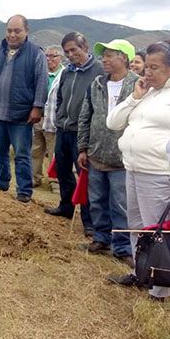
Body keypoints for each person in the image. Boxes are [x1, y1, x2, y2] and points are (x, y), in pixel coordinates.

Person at [106, 40, 170, 301]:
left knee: (159, 232)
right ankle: (141, 273)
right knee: (138, 227)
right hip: (134, 169)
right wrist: (135, 97)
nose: (147, 73)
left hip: (161, 174)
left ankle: (160, 288)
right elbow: (113, 122)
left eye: (154, 68)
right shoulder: (150, 91)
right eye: (146, 67)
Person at [77, 39, 138, 266]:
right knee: (97, 201)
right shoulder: (97, 84)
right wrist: (83, 148)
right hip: (96, 154)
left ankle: (122, 247)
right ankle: (101, 238)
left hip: (122, 158)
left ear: (124, 57)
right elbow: (86, 116)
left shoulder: (137, 86)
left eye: (110, 54)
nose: (104, 59)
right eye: (104, 55)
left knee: (121, 204)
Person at [0, 15, 48, 202]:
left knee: (22, 154)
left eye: (17, 31)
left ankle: (24, 190)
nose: (13, 35)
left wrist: (37, 107)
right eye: (9, 30)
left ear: (26, 31)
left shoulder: (36, 54)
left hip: (22, 115)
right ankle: (1, 181)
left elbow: (41, 82)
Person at [45, 32, 104, 237]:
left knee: (84, 176)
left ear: (85, 47)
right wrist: (60, 117)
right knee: (63, 171)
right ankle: (65, 206)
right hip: (64, 129)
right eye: (67, 51)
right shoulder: (68, 72)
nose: (70, 55)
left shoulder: (98, 71)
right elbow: (60, 97)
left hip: (83, 133)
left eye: (74, 50)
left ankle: (89, 221)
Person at [34, 45, 65, 191]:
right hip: (38, 118)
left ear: (61, 58)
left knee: (54, 152)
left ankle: (55, 181)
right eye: (47, 56)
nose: (49, 59)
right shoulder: (39, 73)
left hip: (54, 120)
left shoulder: (65, 74)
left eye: (53, 56)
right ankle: (35, 177)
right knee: (36, 149)